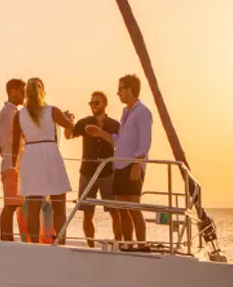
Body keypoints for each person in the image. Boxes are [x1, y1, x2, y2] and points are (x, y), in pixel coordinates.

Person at [86, 74, 152, 247]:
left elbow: (145, 141)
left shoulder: (143, 112)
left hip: (132, 164)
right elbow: (120, 141)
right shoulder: (125, 112)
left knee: (134, 208)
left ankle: (142, 245)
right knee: (122, 209)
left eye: (120, 89)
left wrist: (138, 164)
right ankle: (128, 244)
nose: (118, 93)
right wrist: (100, 133)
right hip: (120, 164)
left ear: (130, 90)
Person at [11, 77, 74, 244]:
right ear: (42, 92)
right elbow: (70, 126)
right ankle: (61, 242)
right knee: (59, 205)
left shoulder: (19, 115)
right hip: (50, 154)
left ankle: (35, 244)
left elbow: (15, 144)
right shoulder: (52, 111)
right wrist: (70, 118)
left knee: (33, 207)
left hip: (31, 156)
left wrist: (13, 166)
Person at [64, 91, 122, 247]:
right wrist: (67, 122)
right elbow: (68, 135)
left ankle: (119, 243)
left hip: (107, 172)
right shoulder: (84, 123)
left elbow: (122, 144)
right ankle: (90, 244)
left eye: (96, 103)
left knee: (114, 211)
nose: (93, 106)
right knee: (87, 212)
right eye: (91, 103)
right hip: (88, 171)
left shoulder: (114, 125)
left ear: (104, 104)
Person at [0, 78, 26, 241]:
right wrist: (13, 160)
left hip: (9, 163)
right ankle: (6, 239)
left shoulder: (5, 112)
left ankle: (7, 238)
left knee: (12, 205)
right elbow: (11, 139)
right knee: (11, 206)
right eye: (22, 91)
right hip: (13, 165)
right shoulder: (11, 113)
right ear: (13, 91)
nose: (24, 95)